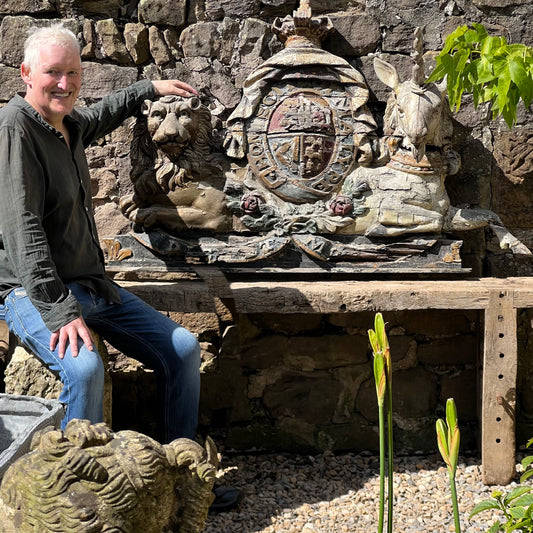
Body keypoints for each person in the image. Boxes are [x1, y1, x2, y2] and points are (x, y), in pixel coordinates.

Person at [0, 23, 242, 511]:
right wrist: (59, 312)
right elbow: (21, 228)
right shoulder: (16, 128)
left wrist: (148, 89)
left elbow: (102, 114)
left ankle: (181, 477)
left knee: (183, 348)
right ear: (27, 73)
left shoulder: (66, 125)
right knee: (85, 369)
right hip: (30, 293)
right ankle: (79, 502)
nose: (65, 84)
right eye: (53, 73)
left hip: (92, 287)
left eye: (73, 73)